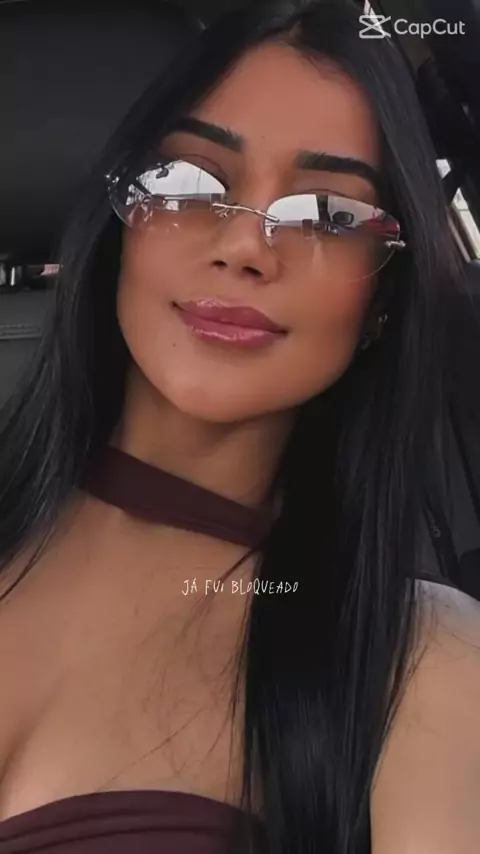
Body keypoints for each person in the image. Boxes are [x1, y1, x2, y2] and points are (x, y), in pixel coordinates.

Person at [0, 1, 479, 852]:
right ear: (123, 224)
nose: (245, 248)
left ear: (382, 298)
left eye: (328, 214)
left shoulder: (418, 663)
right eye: (189, 184)